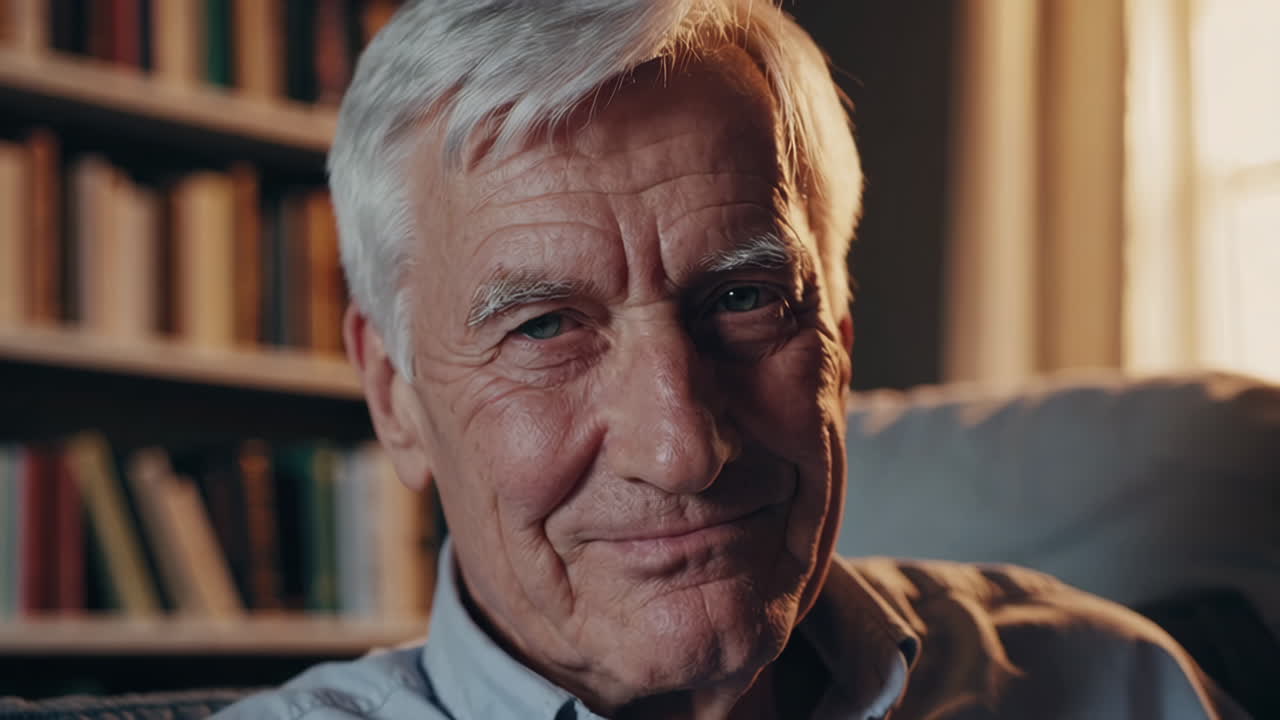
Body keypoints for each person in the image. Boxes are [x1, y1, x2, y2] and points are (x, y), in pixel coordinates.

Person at [218, 1, 1247, 718]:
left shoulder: (1116, 688)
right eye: (543, 328)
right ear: (394, 396)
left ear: (836, 343)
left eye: (743, 299)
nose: (680, 448)